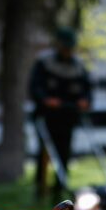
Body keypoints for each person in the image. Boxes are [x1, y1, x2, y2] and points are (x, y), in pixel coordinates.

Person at [29, 26, 92, 200]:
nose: (67, 51)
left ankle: (60, 188)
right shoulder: (44, 62)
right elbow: (35, 88)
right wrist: (46, 100)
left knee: (64, 152)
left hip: (68, 117)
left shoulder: (78, 66)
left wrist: (85, 101)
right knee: (44, 153)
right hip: (47, 117)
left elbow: (87, 89)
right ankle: (40, 188)